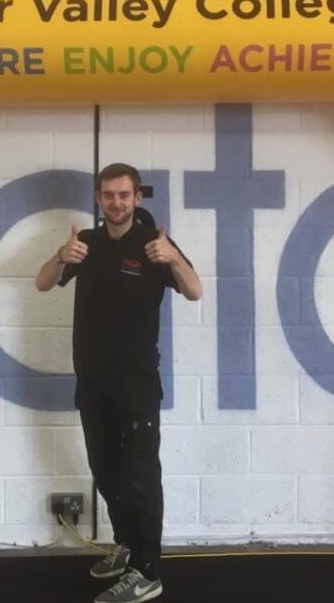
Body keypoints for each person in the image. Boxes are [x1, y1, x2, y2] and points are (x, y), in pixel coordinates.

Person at [35, 163, 202, 603]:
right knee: (106, 472)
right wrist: (60, 256)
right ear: (99, 199)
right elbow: (42, 283)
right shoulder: (86, 244)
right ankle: (127, 544)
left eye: (124, 195)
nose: (116, 202)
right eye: (108, 195)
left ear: (137, 198)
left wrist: (174, 257)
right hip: (93, 385)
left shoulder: (154, 246)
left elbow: (195, 290)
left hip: (136, 386)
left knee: (140, 479)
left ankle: (148, 572)